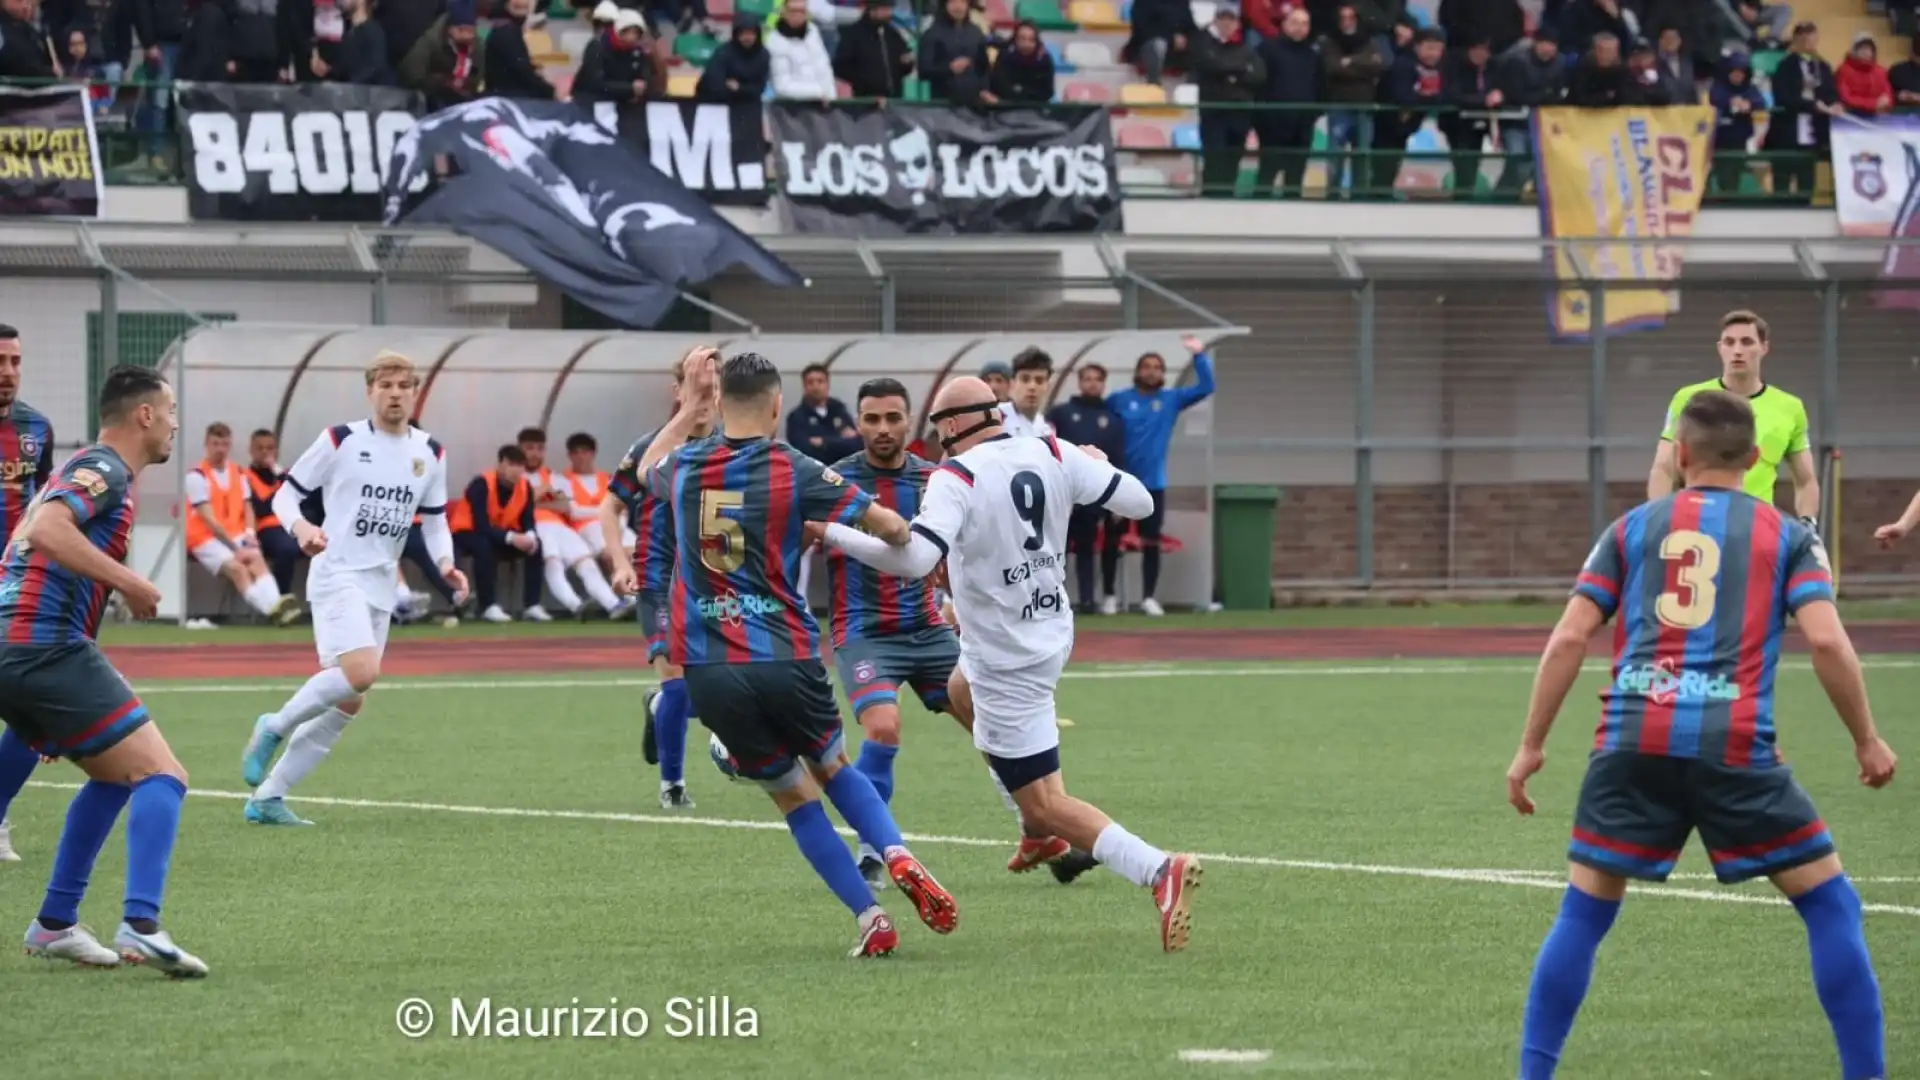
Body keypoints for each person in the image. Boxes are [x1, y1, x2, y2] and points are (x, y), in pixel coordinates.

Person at [1505, 389, 1894, 1080]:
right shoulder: (1789, 536)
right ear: (1753, 459)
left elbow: (1570, 635)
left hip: (1631, 739)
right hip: (1735, 745)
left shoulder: (1630, 529)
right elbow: (1829, 645)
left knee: (1585, 914)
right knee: (1830, 904)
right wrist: (1866, 739)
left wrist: (1532, 744)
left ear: (1678, 455)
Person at [816, 376, 1202, 952]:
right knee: (958, 690)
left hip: (1006, 655)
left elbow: (918, 559)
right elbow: (1141, 503)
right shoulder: (1051, 448)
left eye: (936, 426)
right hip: (1046, 631)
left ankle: (1156, 869)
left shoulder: (957, 475)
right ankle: (1033, 834)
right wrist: (1096, 467)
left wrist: (834, 534)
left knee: (1045, 804)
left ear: (951, 426)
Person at [629, 350, 957, 958]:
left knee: (793, 797)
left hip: (711, 667)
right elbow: (890, 526)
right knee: (834, 767)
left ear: (720, 403)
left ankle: (869, 917)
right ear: (779, 405)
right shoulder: (794, 466)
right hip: (787, 652)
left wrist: (688, 410)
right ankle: (897, 852)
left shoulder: (685, 463)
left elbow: (643, 469)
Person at [2, 364, 207, 976]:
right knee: (163, 775)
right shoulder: (106, 471)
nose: (174, 423)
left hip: (21, 645)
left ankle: (55, 923)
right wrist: (130, 582)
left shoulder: (82, 468)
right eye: (169, 411)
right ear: (144, 415)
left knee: (114, 776)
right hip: (44, 646)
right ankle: (141, 925)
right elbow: (44, 530)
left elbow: (25, 540)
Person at [239, 352, 468, 826]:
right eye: (386, 384)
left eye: (404, 385)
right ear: (370, 390)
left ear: (415, 392)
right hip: (337, 571)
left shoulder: (431, 452)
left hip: (381, 580)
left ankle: (269, 797)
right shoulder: (340, 439)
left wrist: (446, 563)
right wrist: (301, 528)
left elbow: (437, 520)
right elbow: (285, 494)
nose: (395, 393)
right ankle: (274, 725)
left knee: (350, 698)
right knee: (362, 672)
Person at [606, 347, 723, 810]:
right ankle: (672, 787)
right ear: (678, 391)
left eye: (712, 388)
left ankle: (660, 709)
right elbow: (610, 505)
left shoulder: (731, 448)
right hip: (657, 584)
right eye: (697, 387)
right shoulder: (651, 447)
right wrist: (619, 562)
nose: (705, 397)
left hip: (711, 588)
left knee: (717, 696)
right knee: (675, 681)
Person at [1648, 310, 1819, 525]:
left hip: (1757, 527)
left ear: (1764, 348)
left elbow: (1806, 479)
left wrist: (1807, 523)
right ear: (1720, 349)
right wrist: (1656, 520)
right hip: (1697, 523)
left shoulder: (1790, 407)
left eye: (1747, 342)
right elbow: (1664, 467)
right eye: (1729, 342)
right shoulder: (1689, 398)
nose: (1737, 351)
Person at [1100, 336, 1216, 617]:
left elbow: (1207, 387)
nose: (1151, 371)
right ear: (1138, 371)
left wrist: (1199, 356)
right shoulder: (1118, 400)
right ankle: (1109, 596)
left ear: (1163, 374)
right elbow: (1102, 430)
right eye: (1146, 366)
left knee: (1151, 542)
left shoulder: (1171, 400)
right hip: (1120, 484)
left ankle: (1149, 598)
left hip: (1153, 484)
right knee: (1112, 541)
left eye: (1157, 367)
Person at [0, 323, 55, 866]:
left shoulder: (36, 428)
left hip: (15, 589)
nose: (8, 372)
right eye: (0, 361)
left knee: (35, 713)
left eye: (15, 361)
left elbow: (42, 508)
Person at [184, 422, 302, 626]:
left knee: (256, 559)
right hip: (205, 539)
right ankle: (273, 609)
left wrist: (249, 534)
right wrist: (235, 548)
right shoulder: (196, 476)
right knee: (238, 569)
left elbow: (248, 507)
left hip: (235, 533)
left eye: (224, 444)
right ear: (206, 445)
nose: (220, 449)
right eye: (215, 444)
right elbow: (209, 520)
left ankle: (276, 608)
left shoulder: (238, 473)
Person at [519, 426, 625, 619]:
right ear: (520, 450)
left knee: (586, 563)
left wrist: (534, 498)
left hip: (561, 526)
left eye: (539, 448)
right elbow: (518, 504)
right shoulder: (515, 476)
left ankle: (615, 605)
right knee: (553, 562)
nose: (535, 453)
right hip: (535, 527)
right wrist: (541, 496)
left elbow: (565, 506)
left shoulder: (553, 477)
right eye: (529, 448)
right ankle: (576, 605)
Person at [1048, 363, 1127, 613]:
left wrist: (1116, 500)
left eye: (1097, 379)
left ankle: (1087, 602)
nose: (1092, 383)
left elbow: (1117, 460)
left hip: (1093, 495)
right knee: (1055, 551)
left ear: (1104, 384)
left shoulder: (1112, 420)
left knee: (1086, 550)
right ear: (1079, 382)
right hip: (1062, 495)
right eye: (1087, 379)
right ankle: (1052, 599)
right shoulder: (1060, 414)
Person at [450, 445, 544, 622]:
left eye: (520, 465)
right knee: (483, 546)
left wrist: (530, 536)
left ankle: (532, 605)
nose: (516, 470)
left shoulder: (525, 487)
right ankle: (488, 605)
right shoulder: (481, 484)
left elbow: (528, 520)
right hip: (467, 533)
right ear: (500, 464)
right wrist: (511, 538)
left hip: (500, 535)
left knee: (536, 546)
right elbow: (481, 525)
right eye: (510, 464)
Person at [243, 429, 304, 597]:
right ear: (251, 451)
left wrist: (280, 476)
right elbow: (262, 508)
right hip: (265, 529)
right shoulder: (245, 477)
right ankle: (279, 598)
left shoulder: (282, 475)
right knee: (287, 548)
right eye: (260, 448)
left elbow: (298, 496)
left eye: (270, 448)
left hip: (290, 525)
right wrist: (281, 490)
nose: (265, 452)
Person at [783, 362, 860, 465]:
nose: (816, 387)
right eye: (810, 382)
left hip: (844, 473)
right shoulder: (797, 417)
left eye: (820, 381)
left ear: (828, 384)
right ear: (804, 387)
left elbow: (856, 445)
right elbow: (804, 452)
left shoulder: (839, 410)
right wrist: (840, 443)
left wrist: (824, 442)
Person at [998, 347, 1056, 438]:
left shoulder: (1047, 430)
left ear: (1048, 387)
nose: (1032, 387)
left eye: (1039, 381)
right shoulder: (996, 418)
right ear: (1012, 384)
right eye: (1025, 379)